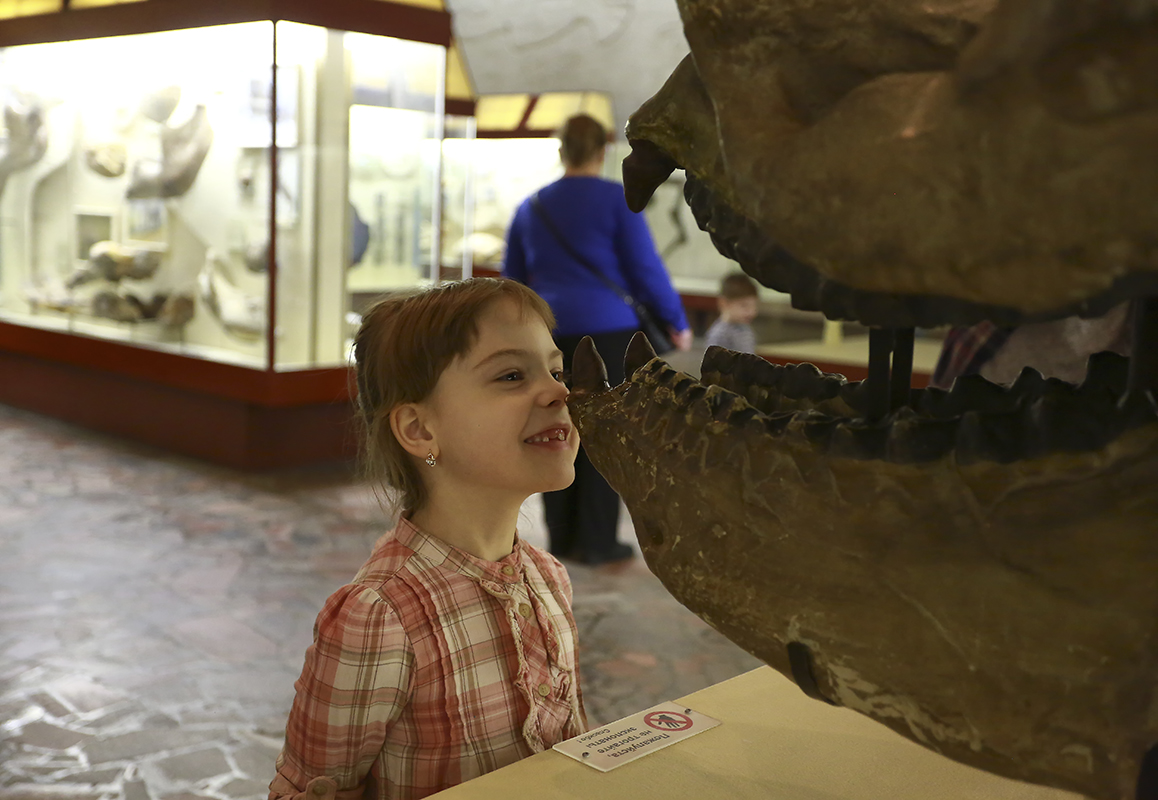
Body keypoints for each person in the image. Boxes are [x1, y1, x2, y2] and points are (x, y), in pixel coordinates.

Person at [269, 278, 588, 800]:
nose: (559, 391)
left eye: (556, 370)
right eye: (511, 375)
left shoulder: (547, 577)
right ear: (419, 430)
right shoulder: (380, 616)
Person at [502, 113, 691, 565]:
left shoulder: (532, 206)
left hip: (547, 336)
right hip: (609, 334)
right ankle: (598, 541)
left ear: (560, 149)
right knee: (605, 434)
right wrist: (676, 321)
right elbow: (644, 269)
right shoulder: (613, 200)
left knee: (553, 427)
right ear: (602, 151)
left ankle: (562, 536)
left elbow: (512, 279)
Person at [704, 272, 759, 354]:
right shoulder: (719, 334)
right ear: (724, 303)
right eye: (744, 306)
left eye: (754, 306)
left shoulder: (746, 329)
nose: (751, 312)